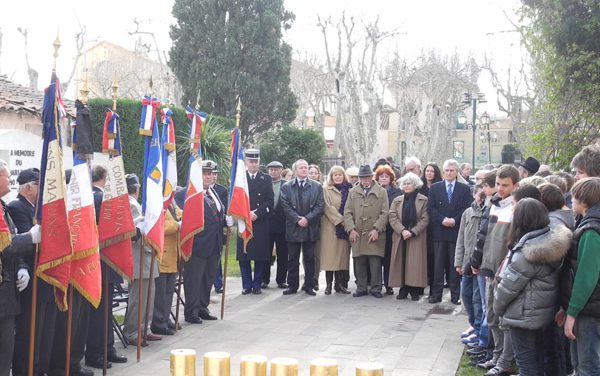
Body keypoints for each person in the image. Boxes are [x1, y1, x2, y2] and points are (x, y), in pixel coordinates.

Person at [494, 198, 571, 376]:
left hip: (524, 315)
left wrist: (497, 308)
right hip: (544, 312)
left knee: (527, 365)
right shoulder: (553, 242)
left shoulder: (527, 253)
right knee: (539, 362)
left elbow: (507, 289)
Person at [470, 165, 521, 374]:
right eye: (498, 184)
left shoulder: (516, 208)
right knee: (490, 314)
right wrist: (477, 260)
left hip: (504, 271)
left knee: (502, 318)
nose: (500, 189)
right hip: (488, 267)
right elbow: (483, 236)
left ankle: (505, 360)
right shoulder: (493, 205)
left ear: (515, 185)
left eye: (505, 185)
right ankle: (497, 354)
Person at [85, 165, 128, 369]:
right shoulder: (99, 198)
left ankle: (107, 348)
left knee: (105, 310)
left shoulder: (94, 197)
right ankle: (97, 352)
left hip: (103, 261)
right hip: (101, 260)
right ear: (104, 178)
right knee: (99, 311)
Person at [4, 167, 44, 376]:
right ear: (29, 188)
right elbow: (10, 243)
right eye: (39, 185)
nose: (9, 180)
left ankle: (35, 368)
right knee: (25, 332)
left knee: (37, 330)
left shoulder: (31, 207)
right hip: (23, 277)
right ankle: (24, 370)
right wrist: (22, 265)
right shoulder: (16, 206)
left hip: (31, 275)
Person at [184, 161, 231, 323]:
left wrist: (226, 220)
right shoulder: (188, 193)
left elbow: (217, 216)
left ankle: (202, 307)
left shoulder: (214, 192)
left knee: (207, 279)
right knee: (194, 279)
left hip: (215, 243)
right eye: (205, 173)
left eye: (211, 173)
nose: (209, 176)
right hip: (197, 244)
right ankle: (191, 312)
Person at [564, 177, 600, 375]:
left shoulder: (591, 231)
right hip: (591, 306)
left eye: (574, 197)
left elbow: (586, 277)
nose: (571, 201)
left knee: (588, 366)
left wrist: (572, 311)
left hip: (590, 309)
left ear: (584, 200)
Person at [427, 159, 472, 304]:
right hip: (439, 232)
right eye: (446, 170)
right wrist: (442, 220)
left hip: (455, 232)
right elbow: (431, 208)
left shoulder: (464, 189)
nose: (449, 173)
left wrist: (455, 220)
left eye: (452, 170)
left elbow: (466, 207)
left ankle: (455, 295)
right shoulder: (435, 187)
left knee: (454, 265)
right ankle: (436, 294)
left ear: (457, 172)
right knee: (438, 265)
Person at [122, 173, 161, 344]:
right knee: (139, 299)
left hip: (145, 258)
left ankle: (145, 328)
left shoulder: (133, 204)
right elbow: (134, 233)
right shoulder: (131, 205)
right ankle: (132, 331)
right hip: (139, 258)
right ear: (137, 189)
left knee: (147, 297)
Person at [344, 165, 389, 298]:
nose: (365, 180)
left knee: (375, 262)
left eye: (367, 177)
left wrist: (377, 229)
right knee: (359, 261)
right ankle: (361, 288)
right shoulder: (353, 192)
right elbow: (347, 212)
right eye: (362, 177)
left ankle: (376, 288)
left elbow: (385, 213)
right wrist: (351, 229)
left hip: (374, 233)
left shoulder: (381, 192)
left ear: (372, 177)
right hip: (357, 233)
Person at [280, 159, 324, 296]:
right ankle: (292, 285)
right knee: (292, 258)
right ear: (295, 171)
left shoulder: (317, 186)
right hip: (293, 228)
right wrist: (297, 219)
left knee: (309, 258)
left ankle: (309, 285)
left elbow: (320, 205)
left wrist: (307, 218)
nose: (304, 169)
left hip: (310, 228)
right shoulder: (286, 187)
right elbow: (285, 205)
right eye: (301, 167)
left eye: (306, 167)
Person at [237, 149, 273, 295]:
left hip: (259, 222)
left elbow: (270, 201)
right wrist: (246, 214)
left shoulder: (266, 179)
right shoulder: (240, 178)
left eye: (256, 162)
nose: (253, 164)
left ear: (259, 162)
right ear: (246, 162)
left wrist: (257, 213)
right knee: (244, 256)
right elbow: (236, 200)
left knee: (260, 255)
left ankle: (257, 284)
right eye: (251, 161)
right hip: (244, 222)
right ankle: (246, 285)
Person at [388, 172, 429, 301]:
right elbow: (392, 217)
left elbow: (425, 218)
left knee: (414, 263)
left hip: (416, 236)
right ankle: (403, 288)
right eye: (404, 183)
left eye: (409, 183)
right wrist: (402, 230)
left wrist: (413, 231)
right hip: (401, 236)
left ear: (415, 185)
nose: (406, 186)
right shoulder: (397, 200)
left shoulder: (423, 200)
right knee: (401, 262)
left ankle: (414, 289)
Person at [454, 185, 485, 344]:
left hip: (479, 264)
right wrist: (458, 261)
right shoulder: (468, 212)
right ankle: (473, 324)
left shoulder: (487, 212)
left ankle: (479, 329)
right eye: (479, 193)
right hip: (467, 262)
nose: (481, 196)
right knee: (466, 295)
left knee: (477, 299)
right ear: (474, 195)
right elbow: (461, 238)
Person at [319, 166, 352, 295]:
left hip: (344, 230)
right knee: (330, 258)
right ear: (331, 177)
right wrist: (342, 220)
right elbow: (328, 208)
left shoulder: (349, 189)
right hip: (330, 228)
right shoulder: (325, 189)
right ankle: (328, 285)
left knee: (341, 258)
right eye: (335, 175)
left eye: (340, 174)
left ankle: (340, 284)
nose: (338, 177)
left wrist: (347, 222)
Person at [151, 199, 182, 336]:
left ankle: (165, 318)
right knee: (160, 293)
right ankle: (158, 322)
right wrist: (177, 225)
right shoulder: (156, 203)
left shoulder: (171, 204)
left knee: (169, 291)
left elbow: (180, 215)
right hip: (162, 255)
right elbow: (159, 226)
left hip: (173, 255)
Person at [375, 165, 402, 295]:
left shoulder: (397, 192)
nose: (384, 178)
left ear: (391, 178)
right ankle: (376, 284)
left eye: (387, 176)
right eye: (381, 176)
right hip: (377, 228)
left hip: (391, 230)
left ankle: (388, 284)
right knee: (376, 258)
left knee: (388, 258)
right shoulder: (374, 191)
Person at [263, 161, 288, 289]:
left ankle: (281, 279)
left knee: (283, 254)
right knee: (265, 253)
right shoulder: (264, 183)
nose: (274, 171)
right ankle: (264, 279)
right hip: (266, 224)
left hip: (282, 224)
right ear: (268, 171)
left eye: (276, 169)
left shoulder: (286, 184)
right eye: (271, 169)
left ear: (281, 170)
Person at [211, 163, 228, 294]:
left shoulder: (221, 190)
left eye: (215, 174)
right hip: (203, 231)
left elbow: (223, 209)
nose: (213, 176)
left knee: (217, 257)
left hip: (217, 229)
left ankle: (218, 283)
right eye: (211, 173)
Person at [308, 164, 323, 290]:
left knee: (316, 255)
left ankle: (315, 279)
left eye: (315, 173)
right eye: (311, 172)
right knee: (306, 255)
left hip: (317, 225)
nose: (313, 175)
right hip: (304, 225)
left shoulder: (320, 188)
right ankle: (308, 279)